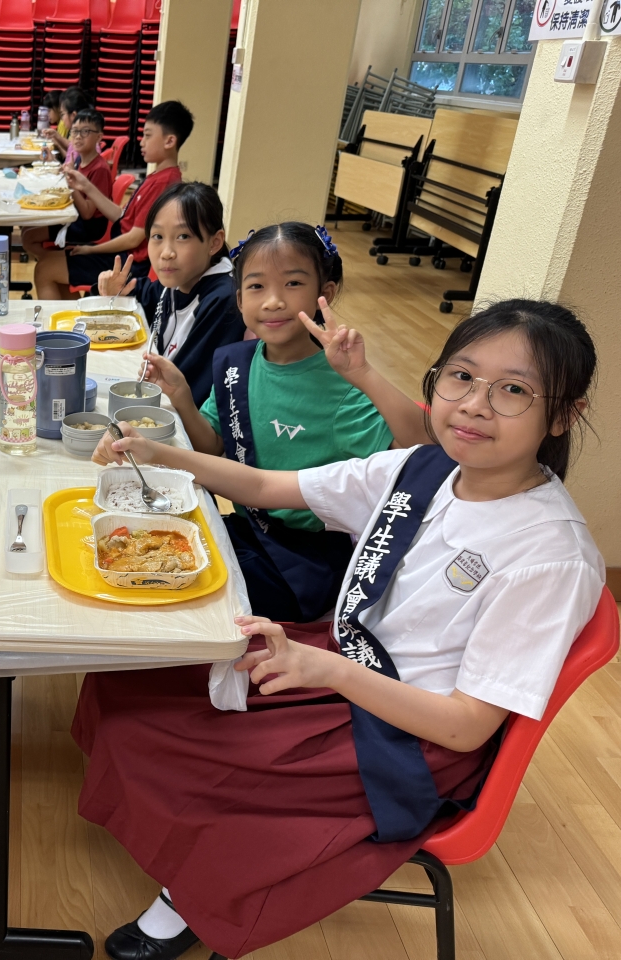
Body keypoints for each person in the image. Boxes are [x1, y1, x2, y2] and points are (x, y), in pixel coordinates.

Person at [82, 299, 604, 960]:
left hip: (405, 737)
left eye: (513, 391)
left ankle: (191, 891)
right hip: (342, 661)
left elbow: (467, 727)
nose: (474, 405)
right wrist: (159, 454)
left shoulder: (550, 555)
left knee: (175, 744)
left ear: (562, 415)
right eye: (462, 377)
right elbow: (267, 485)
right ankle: (182, 846)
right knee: (133, 679)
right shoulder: (423, 468)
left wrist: (327, 670)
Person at [107, 222, 430, 623]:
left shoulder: (341, 386)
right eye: (257, 287)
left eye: (293, 283)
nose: (274, 301)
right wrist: (182, 397)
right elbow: (212, 446)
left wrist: (363, 374)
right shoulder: (236, 363)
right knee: (142, 549)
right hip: (249, 531)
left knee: (174, 592)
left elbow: (423, 447)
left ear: (325, 294)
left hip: (306, 559)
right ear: (240, 299)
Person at [94, 181, 244, 406]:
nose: (166, 253)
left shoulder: (223, 300)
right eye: (157, 236)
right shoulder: (180, 280)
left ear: (214, 243)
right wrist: (117, 291)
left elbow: (191, 388)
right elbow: (145, 294)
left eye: (183, 236)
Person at [34, 100, 192, 299]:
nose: (141, 142)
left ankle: (67, 319)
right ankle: (75, 316)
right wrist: (85, 185)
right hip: (123, 254)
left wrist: (91, 250)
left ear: (169, 141)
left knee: (45, 269)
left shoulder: (164, 182)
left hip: (129, 264)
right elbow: (121, 215)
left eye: (147, 135)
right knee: (50, 266)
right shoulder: (158, 176)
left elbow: (134, 238)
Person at [21, 109, 113, 260]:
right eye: (75, 131)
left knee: (29, 237)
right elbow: (70, 177)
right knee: (27, 228)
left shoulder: (99, 169)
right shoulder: (80, 159)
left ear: (99, 137)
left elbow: (87, 213)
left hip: (89, 227)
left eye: (85, 132)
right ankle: (53, 264)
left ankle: (54, 264)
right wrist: (53, 162)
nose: (78, 136)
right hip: (74, 215)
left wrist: (70, 184)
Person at [52, 86, 91, 163]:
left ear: (73, 115)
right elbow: (68, 164)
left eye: (62, 114)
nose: (62, 119)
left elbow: (70, 168)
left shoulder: (81, 139)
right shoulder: (79, 134)